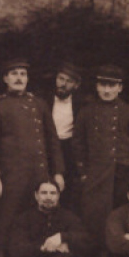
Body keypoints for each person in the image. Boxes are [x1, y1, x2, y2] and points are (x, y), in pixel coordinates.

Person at [0, 58, 66, 254]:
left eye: (23, 74)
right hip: (12, 178)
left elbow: (52, 141)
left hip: (40, 178)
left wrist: (58, 172)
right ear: (5, 79)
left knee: (40, 221)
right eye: (14, 74)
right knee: (6, 223)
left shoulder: (39, 104)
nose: (19, 78)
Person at [73, 64, 129, 247]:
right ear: (97, 87)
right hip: (95, 176)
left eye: (111, 86)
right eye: (103, 85)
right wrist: (84, 173)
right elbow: (78, 145)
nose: (107, 90)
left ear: (120, 88)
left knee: (122, 219)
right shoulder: (86, 112)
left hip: (122, 176)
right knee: (94, 220)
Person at [47, 62, 85, 214]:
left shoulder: (81, 104)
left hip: (69, 148)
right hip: (47, 146)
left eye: (69, 81)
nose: (63, 84)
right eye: (61, 79)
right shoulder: (43, 99)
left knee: (67, 190)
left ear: (76, 85)